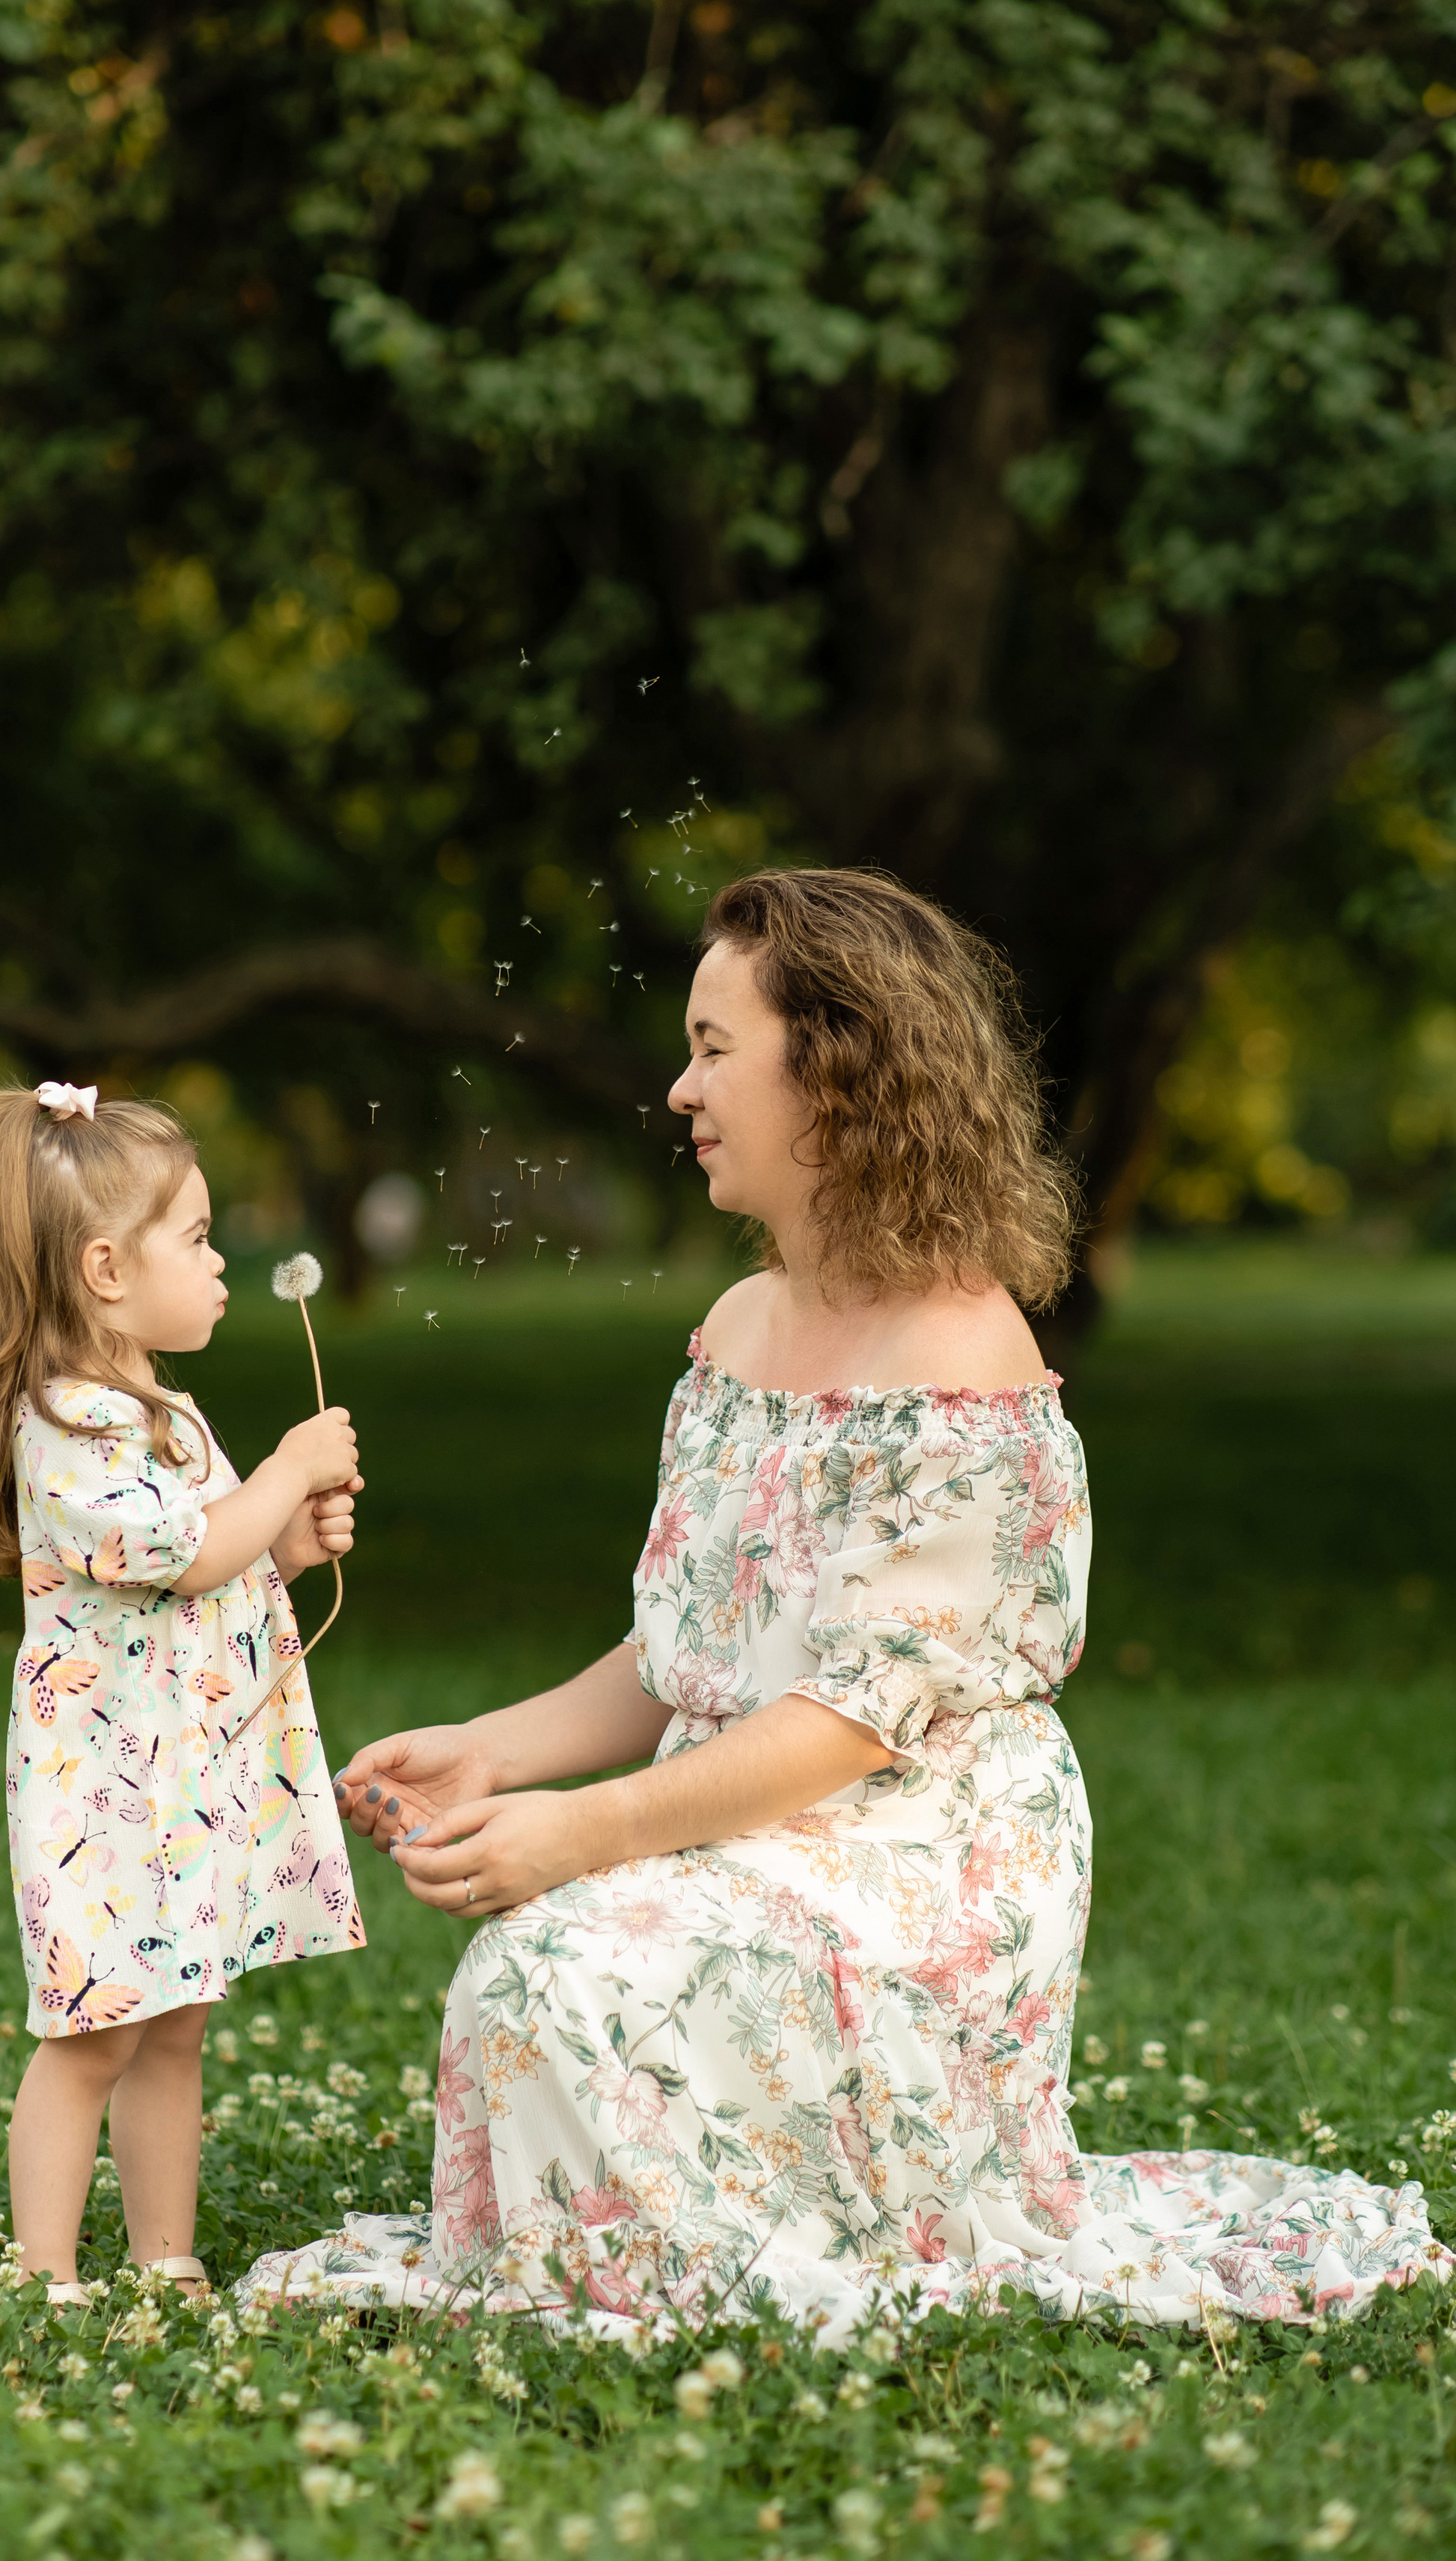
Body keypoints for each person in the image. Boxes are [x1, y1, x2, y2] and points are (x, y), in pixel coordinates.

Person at [245, 870, 1450, 2339]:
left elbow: (850, 1721)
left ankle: (726, 2270)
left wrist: (590, 1831)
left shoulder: (957, 1354)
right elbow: (679, 1645)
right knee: (537, 1962)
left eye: (710, 1046)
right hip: (748, 1795)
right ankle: (630, 2270)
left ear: (835, 1064)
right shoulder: (740, 1324)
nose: (678, 1088)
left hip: (919, 1839)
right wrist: (497, 1753)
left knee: (565, 1955)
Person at [0, 1082, 364, 2307]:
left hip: (182, 1775)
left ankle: (165, 2254)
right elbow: (185, 1553)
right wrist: (284, 1476)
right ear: (109, 1269)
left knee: (174, 2020)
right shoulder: (69, 1424)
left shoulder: (154, 1410)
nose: (224, 1260)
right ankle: (44, 2272)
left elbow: (199, 1574)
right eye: (199, 1237)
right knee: (94, 2031)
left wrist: (288, 1545)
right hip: (110, 1790)